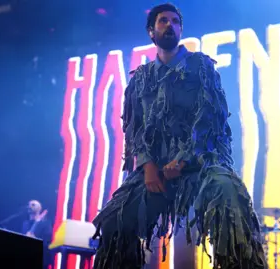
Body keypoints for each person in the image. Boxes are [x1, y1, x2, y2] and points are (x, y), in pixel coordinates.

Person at [92, 3, 265, 269]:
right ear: (152, 31)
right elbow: (135, 129)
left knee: (230, 196)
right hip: (157, 171)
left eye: (175, 21)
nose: (170, 25)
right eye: (163, 21)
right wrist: (148, 166)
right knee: (115, 217)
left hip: (201, 165)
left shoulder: (202, 67)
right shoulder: (140, 79)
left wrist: (186, 158)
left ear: (181, 29)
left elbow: (211, 119)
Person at [22, 200, 53, 269]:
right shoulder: (25, 223)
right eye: (29, 205)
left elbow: (47, 242)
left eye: (33, 205)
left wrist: (36, 240)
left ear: (40, 208)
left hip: (40, 258)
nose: (29, 206)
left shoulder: (46, 223)